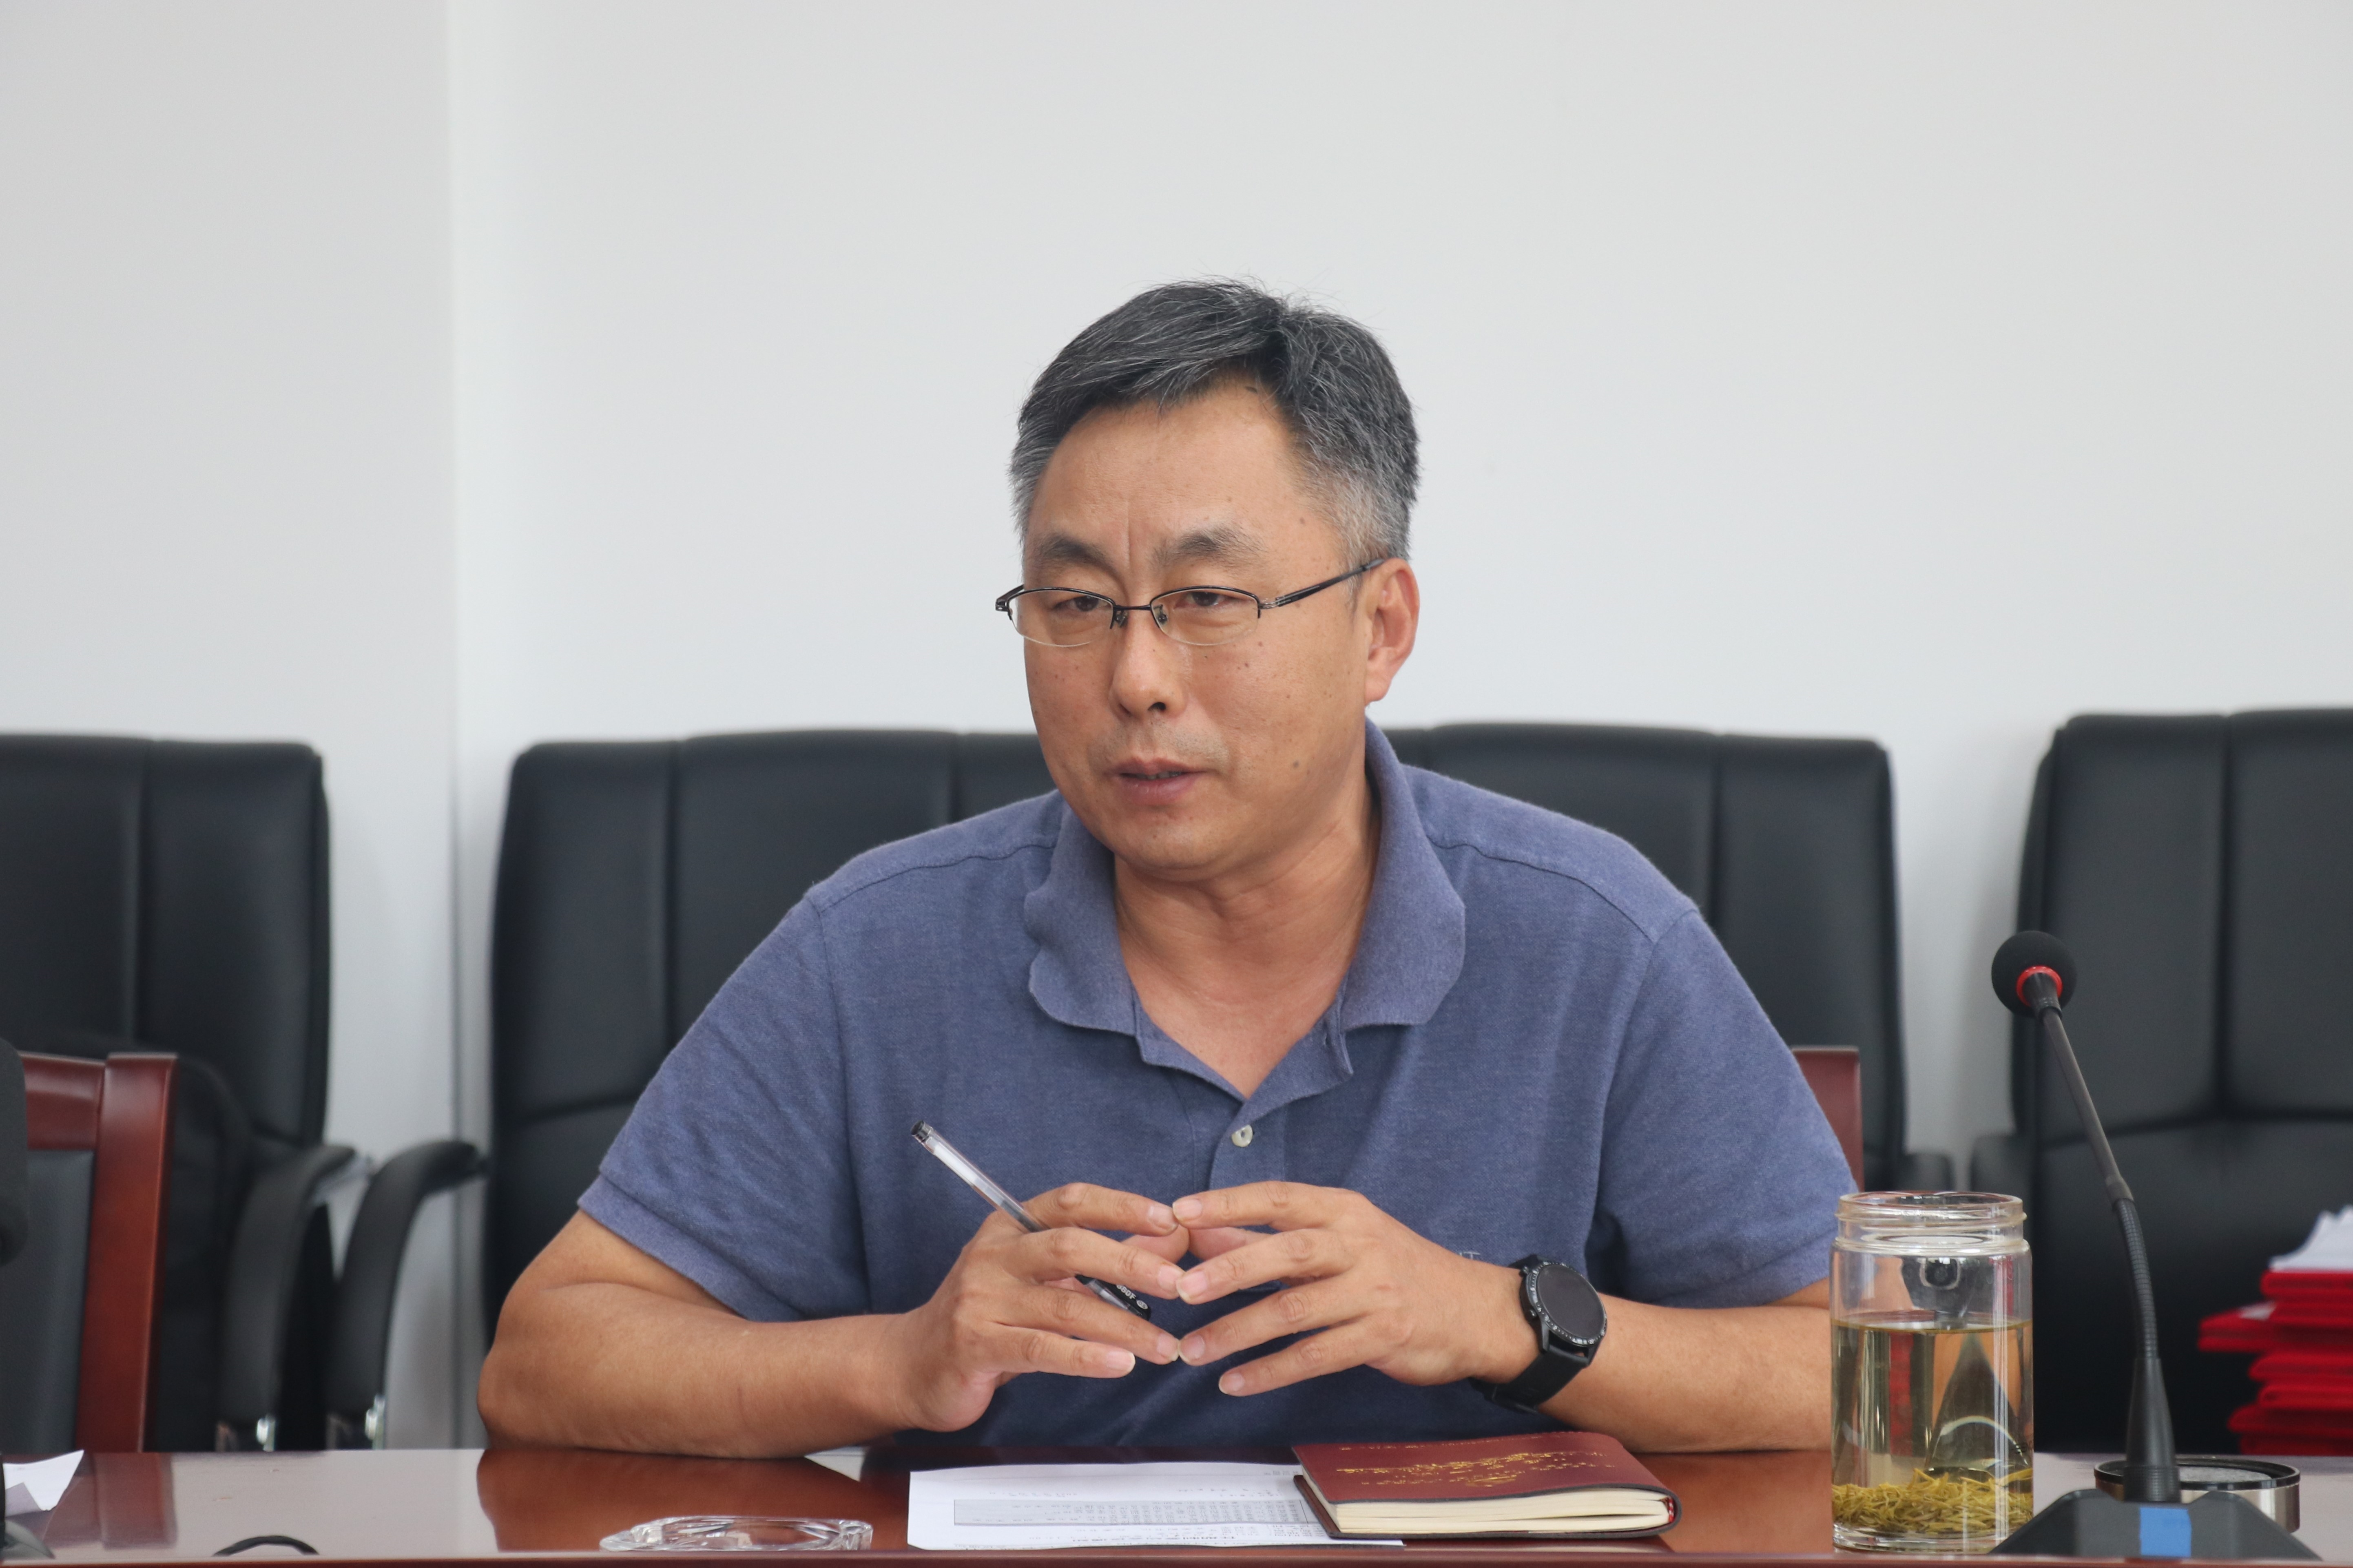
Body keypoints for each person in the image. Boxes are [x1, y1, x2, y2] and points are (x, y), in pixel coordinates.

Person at [478, 280, 1853, 1458]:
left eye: (1206, 602)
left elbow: (1865, 1369)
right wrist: (898, 1361)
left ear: (1380, 627)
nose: (1135, 677)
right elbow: (547, 1358)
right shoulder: (873, 947)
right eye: (1075, 604)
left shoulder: (1596, 938)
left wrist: (1497, 1319)